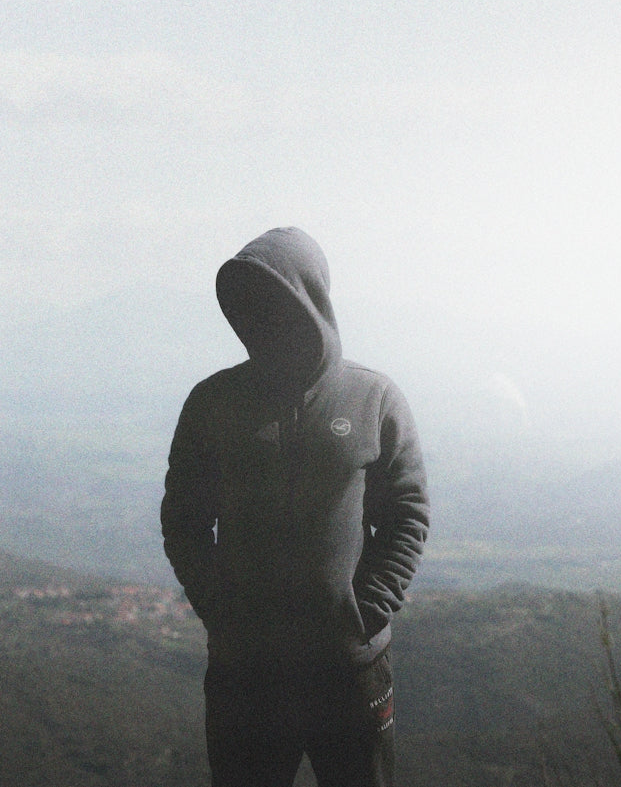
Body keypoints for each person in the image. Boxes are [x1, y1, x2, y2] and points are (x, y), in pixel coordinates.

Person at [161, 227, 430, 787]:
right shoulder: (213, 402)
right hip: (245, 676)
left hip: (350, 671)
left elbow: (407, 512)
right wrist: (219, 608)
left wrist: (366, 611)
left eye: (280, 300)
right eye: (253, 302)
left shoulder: (373, 399)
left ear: (313, 300)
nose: (266, 316)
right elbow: (184, 518)